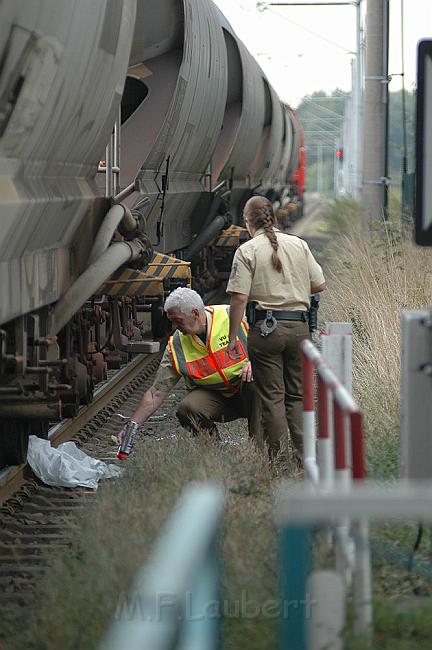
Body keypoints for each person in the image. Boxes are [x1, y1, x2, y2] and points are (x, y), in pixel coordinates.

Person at [226, 195, 326, 461]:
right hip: (300, 329)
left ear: (248, 221)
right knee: (297, 397)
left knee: (272, 398)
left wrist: (234, 336)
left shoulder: (247, 251)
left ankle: (279, 459)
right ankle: (305, 458)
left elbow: (238, 297)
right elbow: (319, 284)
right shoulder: (298, 244)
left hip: (267, 331)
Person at [118, 287, 261, 443]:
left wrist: (256, 362)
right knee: (188, 408)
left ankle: (262, 450)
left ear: (195, 313)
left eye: (178, 320)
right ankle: (213, 456)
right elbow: (156, 393)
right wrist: (131, 426)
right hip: (219, 400)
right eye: (171, 321)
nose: (174, 327)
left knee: (257, 378)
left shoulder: (233, 316)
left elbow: (272, 343)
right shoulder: (177, 344)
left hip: (250, 393)